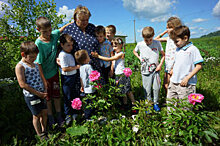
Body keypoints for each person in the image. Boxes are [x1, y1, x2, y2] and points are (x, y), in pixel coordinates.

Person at [35, 16, 72, 127]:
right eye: (45, 32)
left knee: (56, 95)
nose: (48, 33)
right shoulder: (39, 44)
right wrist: (43, 80)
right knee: (48, 98)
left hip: (54, 73)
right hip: (44, 76)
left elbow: (62, 29)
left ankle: (59, 116)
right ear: (38, 30)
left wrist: (72, 22)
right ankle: (51, 118)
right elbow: (39, 64)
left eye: (50, 30)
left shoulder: (54, 35)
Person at [62, 5, 102, 98]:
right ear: (76, 19)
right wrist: (59, 57)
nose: (85, 23)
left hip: (94, 63)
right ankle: (83, 110)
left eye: (87, 20)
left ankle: (98, 110)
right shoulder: (69, 29)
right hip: (79, 67)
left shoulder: (92, 28)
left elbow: (101, 39)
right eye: (82, 20)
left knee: (97, 87)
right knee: (82, 89)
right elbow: (62, 45)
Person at [92, 38, 136, 112]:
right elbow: (113, 62)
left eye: (116, 46)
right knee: (122, 91)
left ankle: (134, 103)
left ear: (121, 45)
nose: (114, 48)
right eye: (113, 46)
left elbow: (110, 59)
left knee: (128, 90)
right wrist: (112, 70)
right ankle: (125, 104)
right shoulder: (116, 53)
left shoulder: (121, 54)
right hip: (118, 74)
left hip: (122, 74)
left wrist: (98, 56)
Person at [15, 41, 48, 140]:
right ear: (23, 54)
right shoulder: (20, 66)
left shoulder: (36, 64)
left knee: (45, 112)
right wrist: (38, 94)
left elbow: (42, 77)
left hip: (42, 93)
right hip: (32, 96)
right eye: (32, 57)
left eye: (35, 57)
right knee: (37, 115)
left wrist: (45, 87)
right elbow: (22, 84)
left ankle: (44, 130)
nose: (34, 59)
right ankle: (40, 135)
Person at [167, 25, 203, 111]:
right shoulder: (178, 49)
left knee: (185, 106)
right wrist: (172, 69)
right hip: (174, 81)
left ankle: (184, 123)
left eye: (177, 41)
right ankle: (171, 122)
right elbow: (177, 62)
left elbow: (199, 66)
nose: (175, 44)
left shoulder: (192, 50)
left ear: (185, 38)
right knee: (170, 102)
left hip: (185, 83)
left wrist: (187, 78)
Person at [133, 26, 165, 112]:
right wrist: (139, 58)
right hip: (145, 70)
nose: (148, 42)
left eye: (150, 39)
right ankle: (148, 104)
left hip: (156, 69)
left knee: (156, 87)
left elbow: (163, 55)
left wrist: (160, 65)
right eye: (146, 40)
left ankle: (155, 103)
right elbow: (134, 51)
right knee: (147, 89)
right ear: (143, 37)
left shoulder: (157, 43)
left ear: (153, 36)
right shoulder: (140, 44)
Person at [155, 17, 182, 94]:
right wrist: (165, 32)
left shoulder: (178, 40)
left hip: (175, 66)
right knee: (165, 85)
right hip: (168, 65)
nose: (168, 30)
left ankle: (173, 102)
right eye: (167, 28)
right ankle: (169, 101)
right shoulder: (169, 38)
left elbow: (180, 55)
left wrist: (174, 68)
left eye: (170, 27)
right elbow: (156, 39)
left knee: (174, 86)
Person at [58, 34, 80, 125]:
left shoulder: (69, 53)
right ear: (62, 45)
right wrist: (76, 67)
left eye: (71, 45)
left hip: (73, 76)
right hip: (67, 78)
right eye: (68, 45)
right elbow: (64, 68)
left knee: (74, 94)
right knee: (67, 96)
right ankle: (68, 115)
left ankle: (75, 113)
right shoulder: (62, 55)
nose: (71, 47)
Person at [74, 50, 95, 119]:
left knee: (87, 103)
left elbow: (81, 78)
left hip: (85, 89)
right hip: (91, 88)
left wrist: (82, 86)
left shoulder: (81, 67)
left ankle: (86, 115)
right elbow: (93, 76)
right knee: (91, 103)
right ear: (86, 59)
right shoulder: (88, 66)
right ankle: (88, 117)